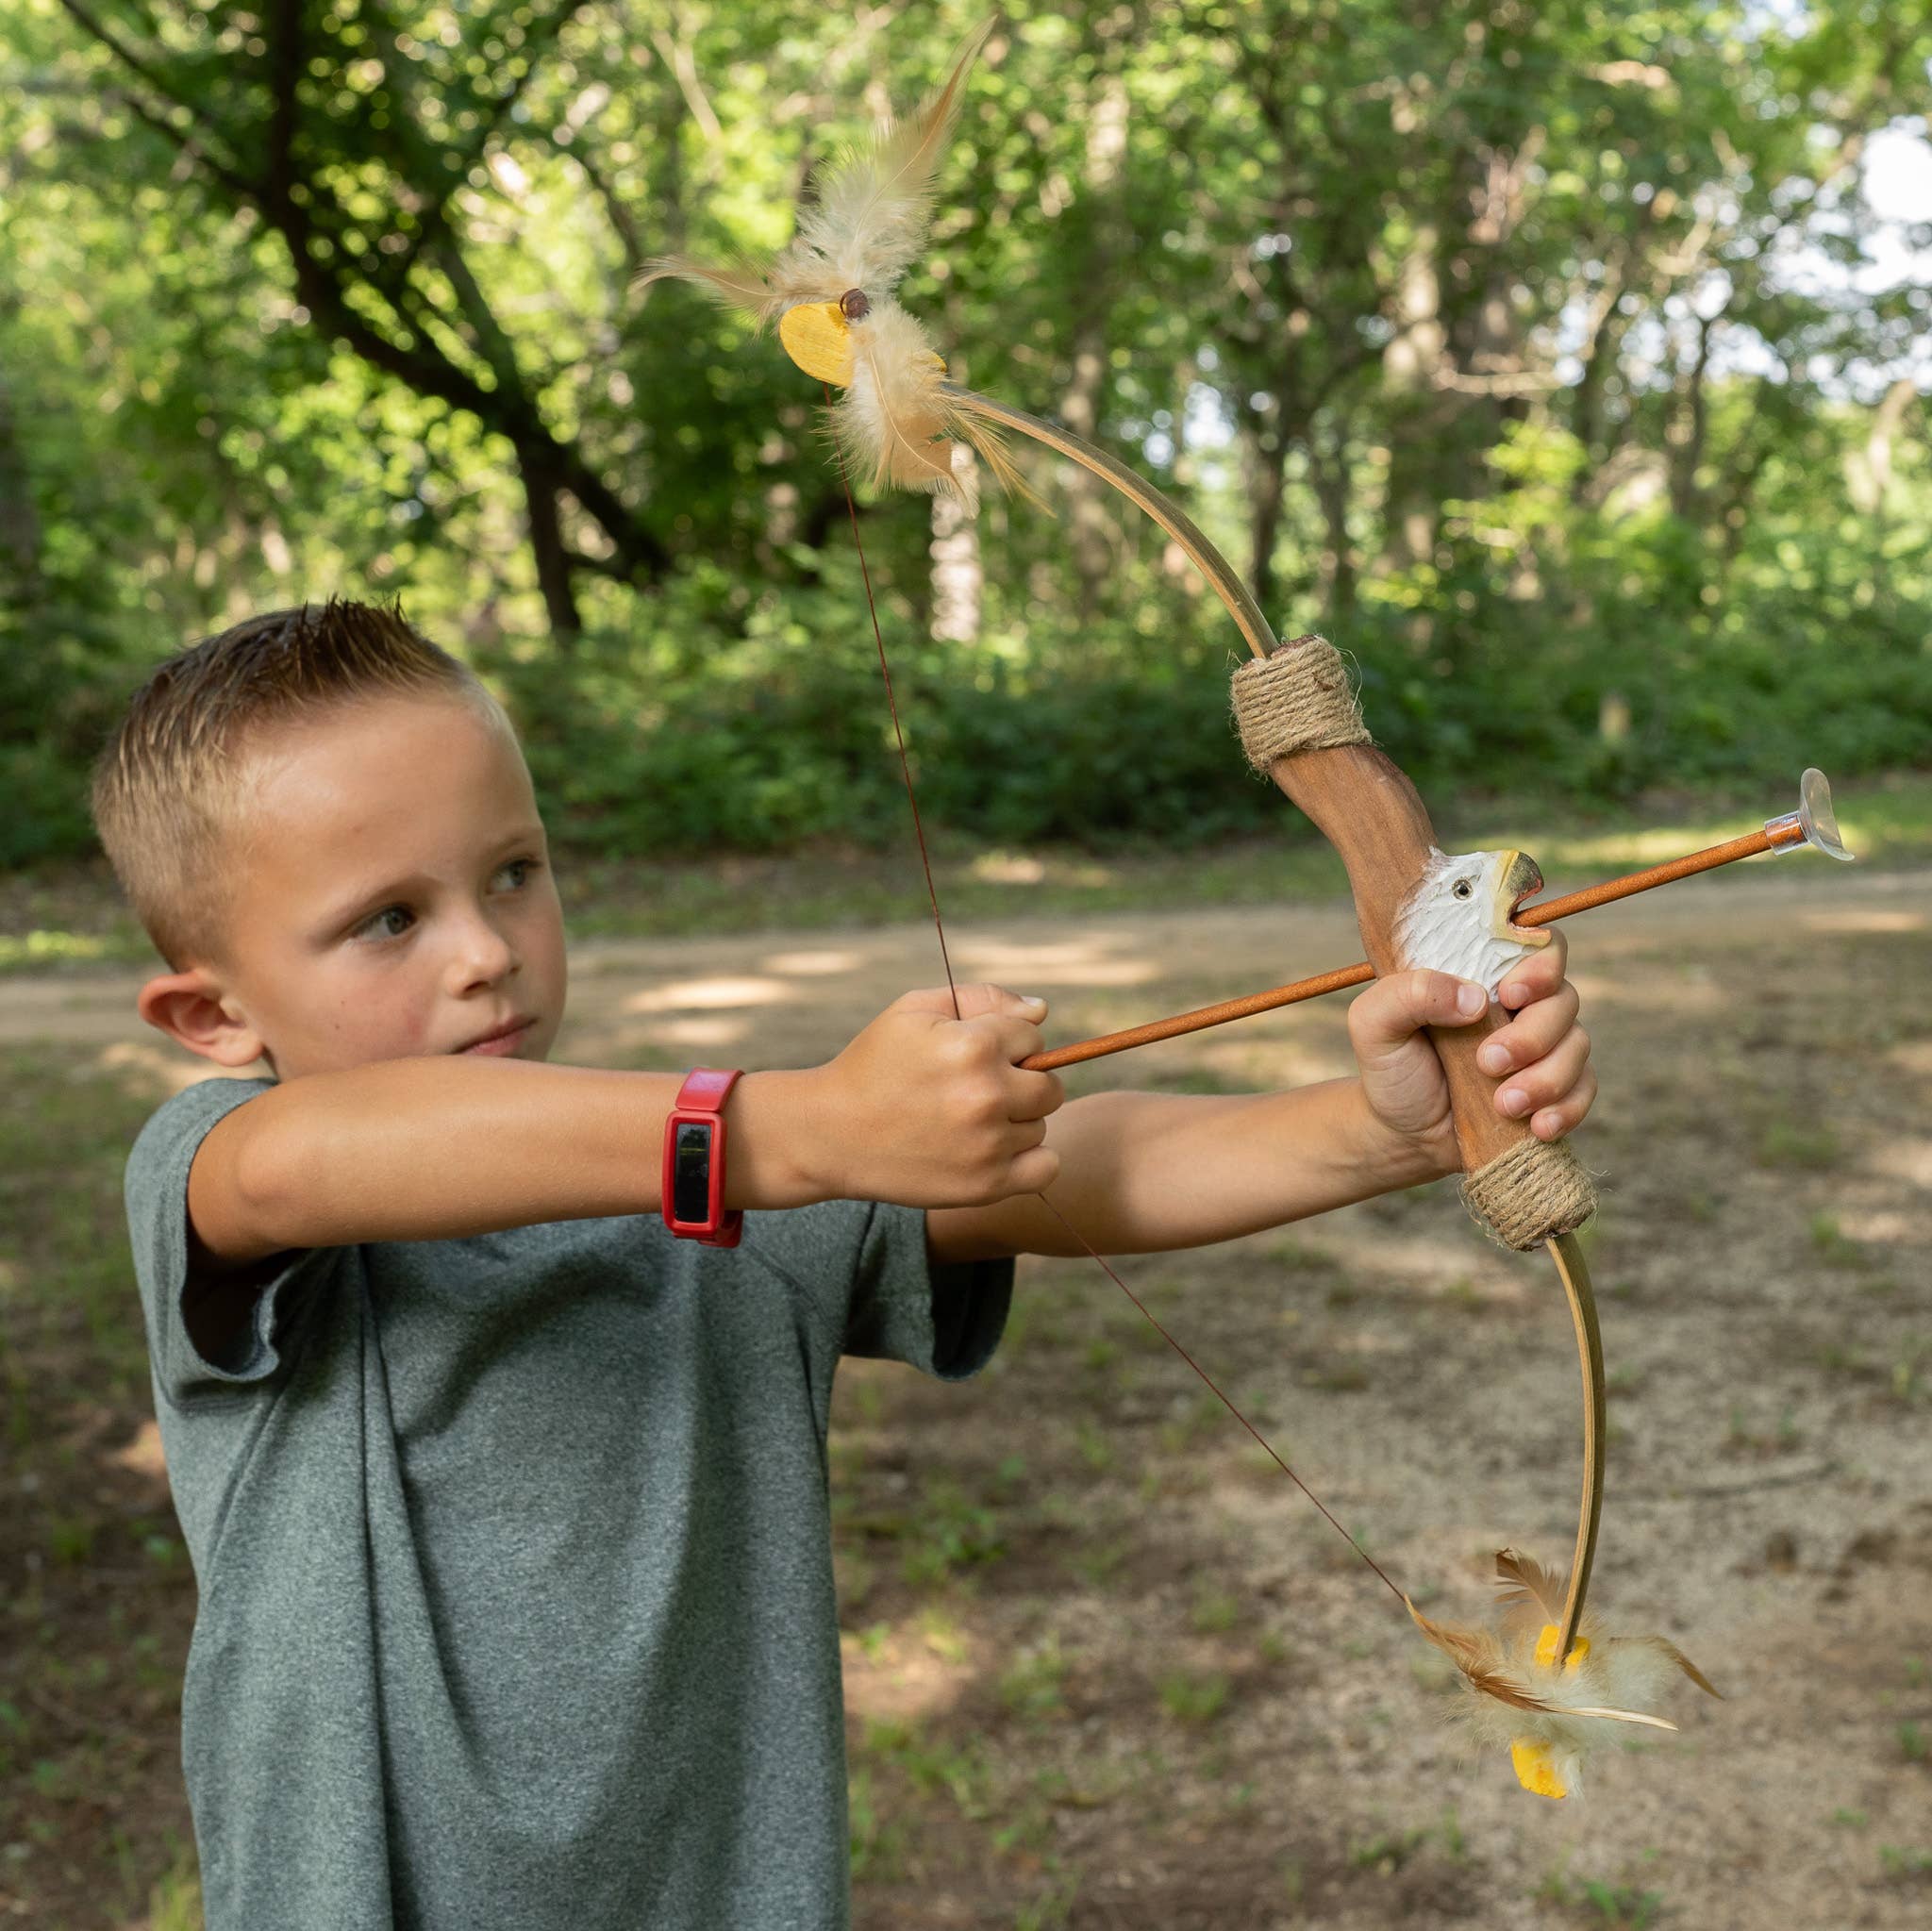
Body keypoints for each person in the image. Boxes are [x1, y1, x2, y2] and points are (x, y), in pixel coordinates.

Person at [91, 596, 1595, 1930]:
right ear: (214, 1020)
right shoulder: (227, 1173)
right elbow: (311, 1161)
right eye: (387, 920)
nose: (485, 949)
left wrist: (1387, 1127)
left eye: (514, 874)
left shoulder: (710, 1172)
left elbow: (1070, 1164)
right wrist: (806, 1128)